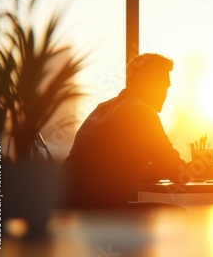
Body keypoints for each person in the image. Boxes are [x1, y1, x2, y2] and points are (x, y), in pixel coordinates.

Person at [60, 53, 192, 208]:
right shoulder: (142, 112)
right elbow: (176, 173)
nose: (166, 93)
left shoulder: (103, 108)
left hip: (71, 206)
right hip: (103, 210)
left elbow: (112, 165)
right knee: (175, 214)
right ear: (153, 84)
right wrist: (197, 169)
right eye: (164, 85)